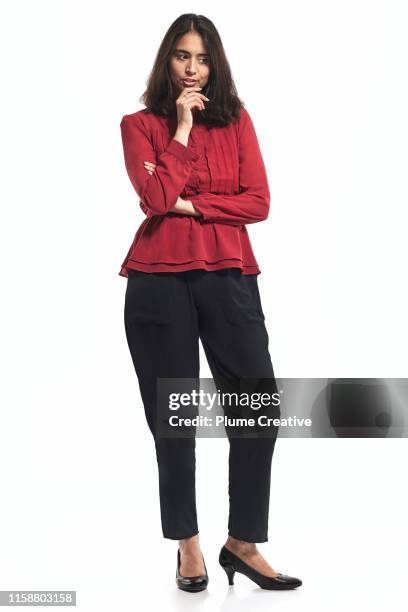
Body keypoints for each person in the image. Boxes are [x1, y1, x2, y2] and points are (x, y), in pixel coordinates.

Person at [119, 13, 302, 592]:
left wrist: (193, 206)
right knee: (173, 421)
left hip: (229, 274)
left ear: (214, 64)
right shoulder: (138, 125)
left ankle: (242, 543)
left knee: (257, 406)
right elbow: (153, 198)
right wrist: (177, 130)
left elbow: (260, 202)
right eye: (181, 56)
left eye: (201, 58)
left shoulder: (237, 122)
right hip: (157, 279)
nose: (192, 68)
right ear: (166, 61)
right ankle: (188, 546)